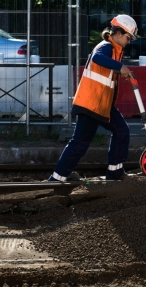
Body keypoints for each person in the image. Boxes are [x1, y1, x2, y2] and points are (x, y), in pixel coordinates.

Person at [48, 14, 138, 182]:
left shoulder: (116, 50)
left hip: (102, 104)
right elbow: (97, 58)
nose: (129, 41)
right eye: (128, 37)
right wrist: (120, 67)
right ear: (118, 33)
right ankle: (56, 179)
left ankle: (115, 172)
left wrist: (120, 70)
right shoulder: (106, 46)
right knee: (80, 143)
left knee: (121, 131)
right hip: (90, 104)